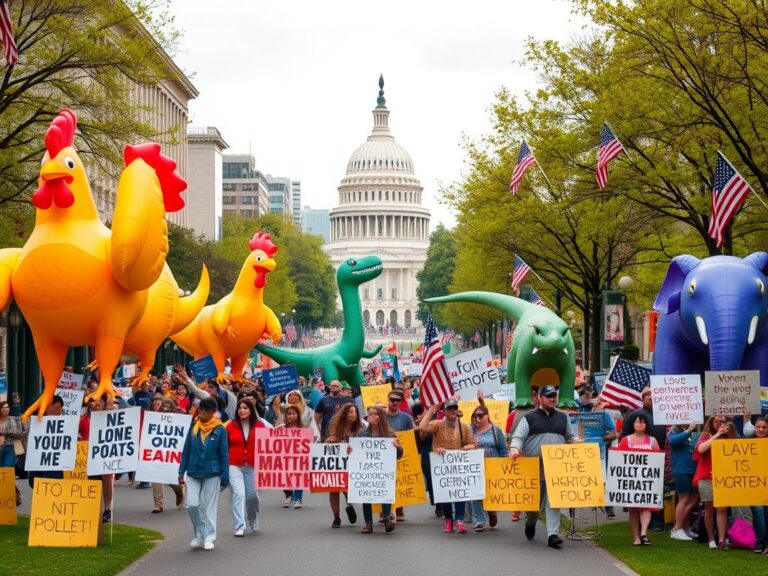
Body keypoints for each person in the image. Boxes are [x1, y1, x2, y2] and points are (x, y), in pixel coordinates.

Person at [510, 386, 577, 549]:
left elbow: (570, 436)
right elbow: (518, 437)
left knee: (553, 500)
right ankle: (531, 522)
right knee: (533, 505)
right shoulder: (529, 418)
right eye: (548, 396)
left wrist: (576, 441)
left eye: (554, 395)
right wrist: (514, 448)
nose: (552, 399)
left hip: (555, 468)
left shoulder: (563, 418)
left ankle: (553, 535)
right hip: (533, 468)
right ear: (539, 397)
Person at [179, 397, 229, 550]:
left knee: (209, 507)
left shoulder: (220, 429)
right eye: (200, 409)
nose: (201, 413)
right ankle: (198, 531)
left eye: (205, 411)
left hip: (212, 472)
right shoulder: (194, 426)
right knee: (191, 505)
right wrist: (181, 471)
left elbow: (224, 454)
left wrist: (225, 476)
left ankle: (209, 537)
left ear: (213, 412)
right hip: (193, 471)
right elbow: (186, 450)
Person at [418, 398, 475, 534]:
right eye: (449, 408)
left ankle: (460, 520)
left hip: (458, 464)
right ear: (444, 411)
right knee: (446, 493)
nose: (452, 411)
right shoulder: (438, 424)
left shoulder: (464, 426)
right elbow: (422, 427)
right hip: (442, 464)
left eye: (454, 408)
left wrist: (469, 446)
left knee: (459, 493)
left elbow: (472, 443)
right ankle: (448, 519)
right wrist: (430, 412)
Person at [620, 386, 667, 532]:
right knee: (639, 491)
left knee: (656, 489)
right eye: (649, 398)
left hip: (656, 455)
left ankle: (657, 522)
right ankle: (640, 522)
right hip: (636, 461)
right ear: (643, 399)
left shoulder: (663, 413)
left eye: (654, 398)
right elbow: (624, 434)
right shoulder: (635, 414)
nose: (652, 400)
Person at [353, 405, 403, 534]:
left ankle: (387, 518)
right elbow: (355, 453)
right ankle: (368, 523)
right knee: (366, 496)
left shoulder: (389, 434)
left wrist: (397, 447)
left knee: (384, 494)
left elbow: (399, 455)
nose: (373, 417)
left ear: (382, 417)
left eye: (376, 414)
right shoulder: (362, 433)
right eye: (371, 414)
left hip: (383, 471)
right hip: (366, 471)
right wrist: (350, 451)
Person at [694, 415, 737, 549]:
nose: (719, 423)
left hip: (724, 478)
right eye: (716, 421)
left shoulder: (730, 435)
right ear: (711, 422)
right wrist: (717, 434)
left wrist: (728, 434)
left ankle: (722, 539)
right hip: (707, 476)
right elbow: (700, 449)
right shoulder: (705, 435)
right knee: (709, 509)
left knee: (722, 508)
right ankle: (711, 538)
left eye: (722, 421)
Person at [618, 414, 660, 546]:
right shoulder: (626, 440)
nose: (640, 425)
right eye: (637, 422)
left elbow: (658, 459)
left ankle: (643, 533)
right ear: (633, 424)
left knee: (646, 506)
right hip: (631, 481)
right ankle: (636, 537)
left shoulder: (652, 441)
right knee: (633, 509)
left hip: (647, 480)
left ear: (646, 425)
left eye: (642, 423)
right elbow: (619, 459)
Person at [225, 398, 265, 536]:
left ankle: (252, 519)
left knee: (252, 497)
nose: (242, 410)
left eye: (245, 408)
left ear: (251, 410)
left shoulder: (260, 425)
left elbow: (269, 441)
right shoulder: (231, 426)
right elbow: (224, 445)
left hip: (253, 465)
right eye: (240, 408)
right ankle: (239, 526)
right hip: (234, 464)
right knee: (239, 494)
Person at [469, 396, 508, 532]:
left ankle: (491, 512)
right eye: (475, 416)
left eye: (480, 416)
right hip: (475, 467)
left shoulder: (495, 431)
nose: (477, 419)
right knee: (476, 493)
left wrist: (505, 467)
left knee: (490, 493)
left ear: (487, 416)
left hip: (493, 467)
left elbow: (503, 450)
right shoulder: (470, 430)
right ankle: (478, 521)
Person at [324, 403, 362, 528]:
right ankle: (336, 517)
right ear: (344, 413)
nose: (354, 415)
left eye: (355, 412)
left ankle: (349, 504)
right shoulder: (335, 427)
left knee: (346, 487)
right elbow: (327, 444)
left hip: (353, 462)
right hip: (337, 461)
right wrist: (329, 441)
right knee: (333, 489)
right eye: (351, 412)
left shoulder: (361, 427)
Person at [150, 397, 185, 513]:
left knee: (170, 478)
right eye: (163, 406)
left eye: (168, 407)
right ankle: (158, 504)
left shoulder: (179, 421)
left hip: (172, 455)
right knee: (156, 476)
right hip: (158, 453)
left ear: (173, 409)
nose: (165, 409)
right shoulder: (154, 420)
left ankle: (179, 491)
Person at [384, 388, 414, 522]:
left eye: (397, 400)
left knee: (399, 479)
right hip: (383, 453)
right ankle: (384, 510)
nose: (394, 403)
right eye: (392, 400)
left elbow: (409, 437)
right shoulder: (380, 416)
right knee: (384, 481)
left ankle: (399, 508)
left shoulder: (406, 418)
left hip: (399, 453)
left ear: (401, 402)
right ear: (388, 400)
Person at [667, 423, 700, 541]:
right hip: (681, 470)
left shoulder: (696, 432)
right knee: (684, 498)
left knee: (694, 499)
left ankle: (685, 528)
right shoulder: (674, 431)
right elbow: (673, 441)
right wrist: (688, 431)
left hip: (695, 469)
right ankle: (677, 529)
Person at [277, 404, 309, 508]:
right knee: (284, 477)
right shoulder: (281, 428)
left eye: (293, 414)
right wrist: (277, 429)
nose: (291, 416)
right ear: (285, 416)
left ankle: (298, 497)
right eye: (288, 414)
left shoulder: (303, 428)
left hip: (298, 457)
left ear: (298, 415)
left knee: (299, 476)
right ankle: (289, 495)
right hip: (284, 457)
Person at [746, 417, 768, 554]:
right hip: (753, 485)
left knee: (766, 512)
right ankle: (760, 541)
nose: (760, 429)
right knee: (758, 511)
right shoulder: (747, 444)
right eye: (758, 427)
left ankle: (764, 542)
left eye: (764, 427)